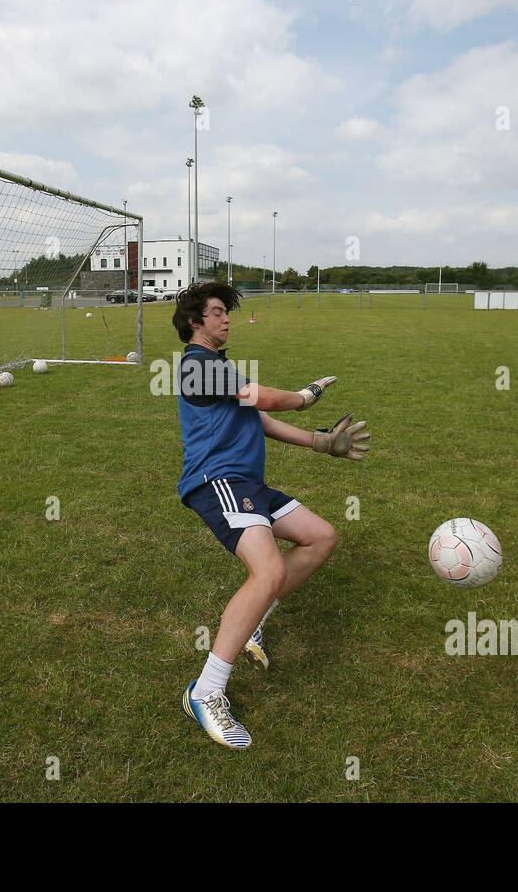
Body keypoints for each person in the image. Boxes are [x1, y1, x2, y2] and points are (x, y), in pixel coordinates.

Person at [172, 282, 369, 748]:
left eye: (226, 312)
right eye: (217, 312)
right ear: (195, 322)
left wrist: (320, 442)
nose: (226, 319)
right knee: (268, 569)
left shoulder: (218, 367)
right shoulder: (195, 366)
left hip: (249, 485)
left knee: (320, 537)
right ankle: (206, 691)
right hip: (217, 481)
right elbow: (264, 400)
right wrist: (306, 395)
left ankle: (254, 622)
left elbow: (256, 419)